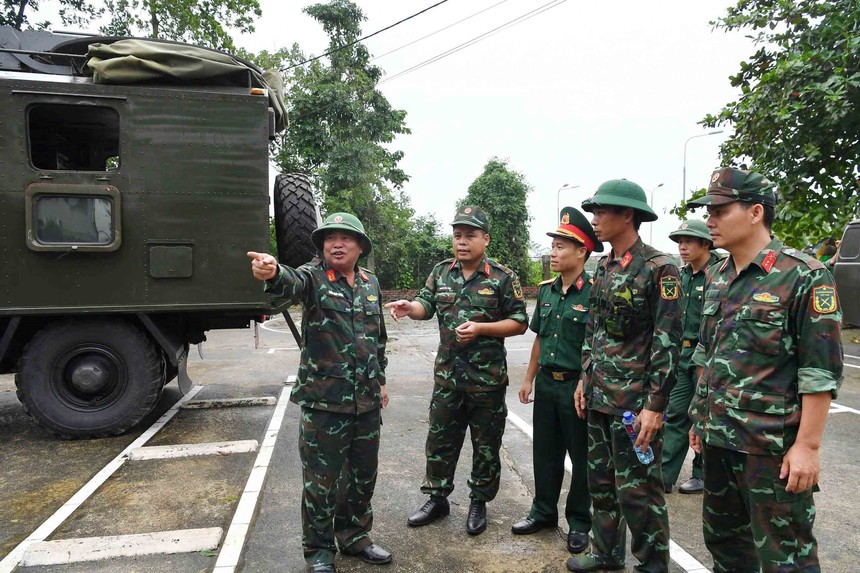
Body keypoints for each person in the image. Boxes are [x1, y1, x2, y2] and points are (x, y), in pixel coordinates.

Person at [687, 167, 843, 573]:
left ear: (755, 212)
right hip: (719, 441)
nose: (710, 220)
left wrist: (807, 447)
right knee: (725, 546)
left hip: (770, 450)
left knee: (784, 555)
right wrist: (700, 418)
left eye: (720, 210)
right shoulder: (717, 276)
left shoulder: (804, 276)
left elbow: (820, 372)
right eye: (709, 211)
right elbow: (708, 352)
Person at [248, 213, 391, 573]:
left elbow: (379, 338)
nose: (336, 244)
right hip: (324, 402)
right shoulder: (312, 278)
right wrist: (272, 271)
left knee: (362, 477)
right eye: (330, 238)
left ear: (360, 247)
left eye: (345, 238)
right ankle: (319, 553)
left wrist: (382, 380)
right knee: (321, 484)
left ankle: (356, 537)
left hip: (367, 402)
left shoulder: (370, 283)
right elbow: (287, 283)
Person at [385, 206, 528, 536]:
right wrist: (410, 309)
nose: (462, 242)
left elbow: (520, 322)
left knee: (486, 446)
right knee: (440, 442)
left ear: (485, 239)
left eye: (470, 236)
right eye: (457, 236)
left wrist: (481, 329)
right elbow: (425, 304)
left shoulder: (503, 277)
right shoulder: (441, 272)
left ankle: (479, 501)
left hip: (486, 382)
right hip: (447, 379)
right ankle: (437, 498)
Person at [569, 179, 682, 573]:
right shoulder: (602, 265)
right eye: (595, 211)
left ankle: (652, 564)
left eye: (602, 212)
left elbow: (667, 344)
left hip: (635, 406)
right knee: (600, 484)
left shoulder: (660, 268)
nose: (594, 219)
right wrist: (585, 378)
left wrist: (656, 405)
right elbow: (592, 330)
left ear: (627, 215)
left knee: (640, 492)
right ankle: (605, 553)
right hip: (600, 396)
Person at [512, 207, 602, 554]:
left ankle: (579, 522)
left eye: (562, 246)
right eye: (553, 246)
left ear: (582, 252)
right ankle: (543, 512)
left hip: (577, 387)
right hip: (548, 384)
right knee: (545, 453)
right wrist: (528, 379)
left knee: (581, 459)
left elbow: (597, 343)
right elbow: (540, 338)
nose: (553, 252)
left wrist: (587, 381)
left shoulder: (594, 292)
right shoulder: (547, 292)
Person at [660, 219, 722, 495]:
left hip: (708, 356)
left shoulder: (720, 273)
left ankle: (702, 473)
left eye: (688, 242)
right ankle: (665, 473)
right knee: (675, 413)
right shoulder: (681, 276)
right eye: (679, 242)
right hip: (682, 353)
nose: (682, 247)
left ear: (705, 244)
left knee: (705, 414)